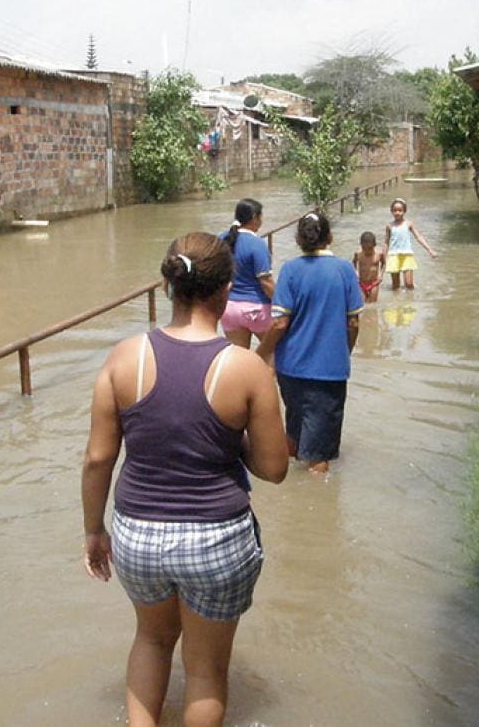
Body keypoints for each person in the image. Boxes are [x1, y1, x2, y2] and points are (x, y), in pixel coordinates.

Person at [81, 232, 288, 727]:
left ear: (170, 288)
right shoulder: (245, 368)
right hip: (216, 537)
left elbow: (96, 459)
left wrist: (94, 531)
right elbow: (274, 468)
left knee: (151, 640)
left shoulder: (123, 357)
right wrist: (229, 439)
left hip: (137, 533)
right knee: (205, 672)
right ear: (224, 292)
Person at [261, 211, 363, 475]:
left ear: (298, 239)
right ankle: (317, 506)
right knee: (319, 453)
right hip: (329, 370)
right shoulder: (344, 270)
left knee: (294, 427)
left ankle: (288, 489)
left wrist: (260, 352)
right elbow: (353, 323)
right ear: (329, 236)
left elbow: (280, 323)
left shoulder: (290, 270)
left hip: (290, 368)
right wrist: (344, 352)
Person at [219, 198, 277, 360]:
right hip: (257, 310)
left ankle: (239, 386)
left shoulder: (221, 240)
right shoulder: (257, 244)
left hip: (229, 309)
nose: (261, 221)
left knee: (238, 360)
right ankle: (265, 385)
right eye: (260, 217)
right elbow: (266, 283)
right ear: (254, 218)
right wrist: (283, 303)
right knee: (272, 356)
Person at [384, 197, 437, 290]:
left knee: (409, 284)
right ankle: (397, 303)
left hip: (407, 255)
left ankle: (410, 301)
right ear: (391, 211)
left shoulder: (409, 224)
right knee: (395, 286)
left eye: (400, 210)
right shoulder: (389, 226)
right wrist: (382, 257)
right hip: (393, 255)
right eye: (395, 210)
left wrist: (430, 250)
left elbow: (419, 237)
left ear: (404, 211)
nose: (397, 213)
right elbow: (386, 242)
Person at [352, 230, 385, 303]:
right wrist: (356, 273)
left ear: (374, 245)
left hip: (374, 283)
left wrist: (381, 275)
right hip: (361, 283)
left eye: (369, 249)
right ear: (361, 245)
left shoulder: (379, 255)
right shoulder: (358, 255)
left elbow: (384, 264)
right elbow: (353, 263)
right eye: (364, 248)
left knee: (372, 304)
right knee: (362, 303)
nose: (367, 251)